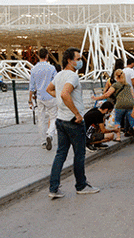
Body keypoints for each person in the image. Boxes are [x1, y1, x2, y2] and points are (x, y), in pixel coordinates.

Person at [46, 47, 99, 199]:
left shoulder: (59, 75)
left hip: (61, 120)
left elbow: (50, 89)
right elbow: (64, 93)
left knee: (60, 154)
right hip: (73, 121)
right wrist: (76, 113)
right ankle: (81, 185)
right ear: (70, 60)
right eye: (78, 58)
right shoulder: (72, 76)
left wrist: (61, 101)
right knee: (79, 154)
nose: (81, 61)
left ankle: (53, 188)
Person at [92, 69, 134, 145]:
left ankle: (118, 137)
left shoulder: (115, 85)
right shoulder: (128, 85)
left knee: (117, 121)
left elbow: (107, 94)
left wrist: (96, 98)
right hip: (130, 104)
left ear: (116, 77)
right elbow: (132, 96)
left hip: (120, 104)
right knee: (133, 122)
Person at [29, 48, 58, 150]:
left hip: (39, 97)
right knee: (53, 117)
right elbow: (56, 82)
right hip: (50, 96)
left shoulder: (34, 69)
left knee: (41, 119)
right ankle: (50, 134)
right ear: (47, 56)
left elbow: (31, 87)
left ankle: (43, 141)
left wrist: (29, 100)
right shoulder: (52, 68)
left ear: (38, 56)